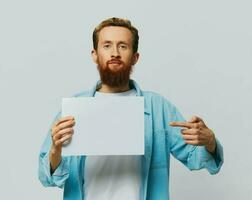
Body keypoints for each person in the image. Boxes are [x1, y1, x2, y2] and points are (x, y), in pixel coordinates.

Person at [38, 17, 224, 200]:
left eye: (123, 46)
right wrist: (55, 149)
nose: (115, 53)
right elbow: (46, 177)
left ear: (135, 57)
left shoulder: (158, 108)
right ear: (94, 54)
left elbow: (195, 158)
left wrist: (210, 142)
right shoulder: (74, 109)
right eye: (107, 45)